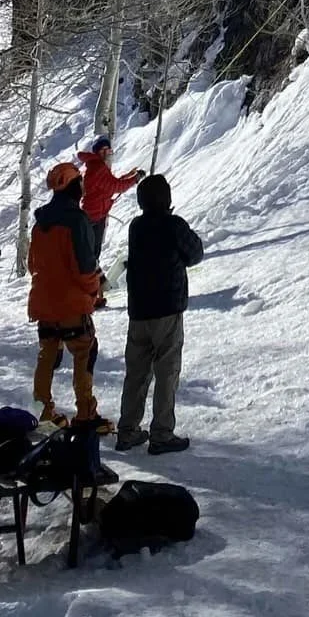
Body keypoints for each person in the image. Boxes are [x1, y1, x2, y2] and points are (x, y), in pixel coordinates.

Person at [117, 173, 203, 455]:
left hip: (139, 310)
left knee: (136, 373)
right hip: (166, 308)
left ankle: (128, 431)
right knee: (166, 372)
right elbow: (195, 253)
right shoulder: (173, 225)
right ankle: (162, 433)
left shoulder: (136, 226)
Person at [28, 162, 105, 430]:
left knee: (47, 355)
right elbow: (84, 267)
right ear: (74, 186)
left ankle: (42, 412)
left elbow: (32, 265)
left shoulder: (40, 224)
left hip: (43, 304)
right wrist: (95, 288)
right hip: (72, 304)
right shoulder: (77, 220)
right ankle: (85, 414)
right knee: (85, 352)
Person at [76, 137, 144, 259]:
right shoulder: (98, 168)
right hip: (94, 217)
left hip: (94, 215)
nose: (107, 152)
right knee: (92, 254)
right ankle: (91, 276)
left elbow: (110, 184)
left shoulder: (96, 165)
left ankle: (92, 275)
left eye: (108, 149)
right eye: (103, 150)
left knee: (91, 253)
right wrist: (135, 178)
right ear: (98, 152)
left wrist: (129, 176)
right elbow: (117, 186)